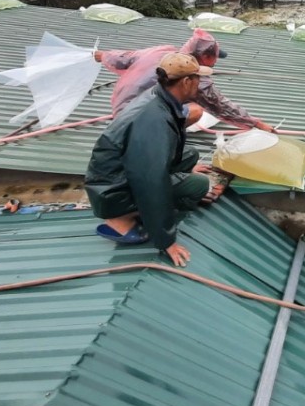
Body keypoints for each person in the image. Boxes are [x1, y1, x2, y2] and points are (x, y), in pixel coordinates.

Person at [84, 53, 222, 266]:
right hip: (113, 192)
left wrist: (186, 168)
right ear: (186, 82)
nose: (200, 85)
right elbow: (150, 183)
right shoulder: (153, 121)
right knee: (199, 185)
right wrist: (166, 240)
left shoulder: (158, 96)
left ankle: (135, 207)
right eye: (197, 80)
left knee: (190, 155)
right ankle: (122, 218)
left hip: (114, 177)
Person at [94, 28, 275, 132]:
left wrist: (101, 55)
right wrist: (256, 123)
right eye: (215, 57)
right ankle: (164, 133)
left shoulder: (160, 52)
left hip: (121, 110)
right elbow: (221, 105)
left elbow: (120, 57)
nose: (216, 62)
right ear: (204, 55)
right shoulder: (194, 78)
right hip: (140, 121)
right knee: (196, 110)